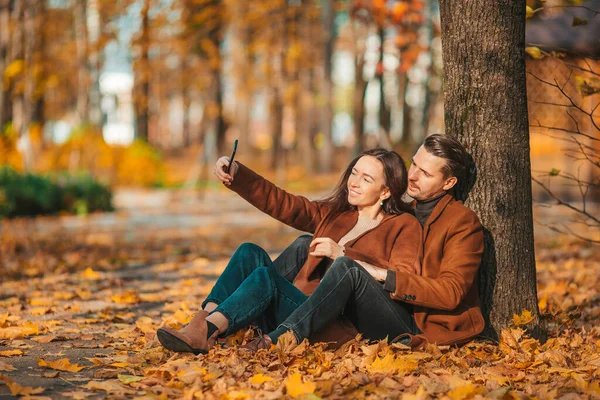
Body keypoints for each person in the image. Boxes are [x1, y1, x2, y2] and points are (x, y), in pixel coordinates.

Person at [156, 148, 423, 354]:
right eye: (354, 173)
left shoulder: (403, 225)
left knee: (267, 278)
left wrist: (342, 254)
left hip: (334, 322)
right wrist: (238, 174)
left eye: (366, 179)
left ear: (386, 191)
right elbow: (285, 204)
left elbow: (400, 278)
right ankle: (201, 324)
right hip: (302, 307)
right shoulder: (338, 214)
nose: (354, 182)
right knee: (250, 252)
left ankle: (210, 329)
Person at [244, 134, 485, 351]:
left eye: (426, 173)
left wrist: (380, 273)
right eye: (414, 164)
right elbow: (296, 208)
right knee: (302, 244)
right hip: (377, 308)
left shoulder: (461, 222)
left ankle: (277, 338)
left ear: (448, 183)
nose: (412, 175)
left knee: (346, 266)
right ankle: (240, 318)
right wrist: (239, 178)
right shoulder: (405, 211)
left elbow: (451, 292)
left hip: (420, 325)